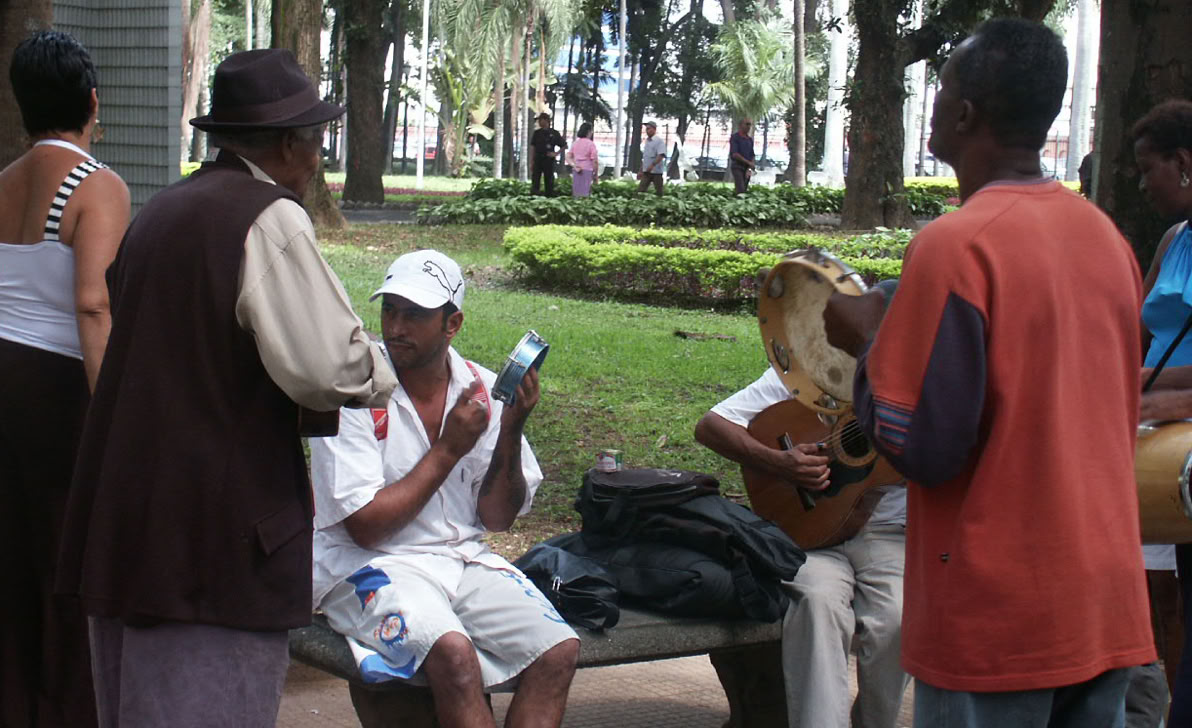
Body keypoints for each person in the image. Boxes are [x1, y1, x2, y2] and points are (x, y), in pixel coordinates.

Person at [823, 18, 1154, 727]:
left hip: (998, 616)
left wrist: (868, 341)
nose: (936, 103)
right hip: (1104, 601)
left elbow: (925, 449)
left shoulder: (954, 245)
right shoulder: (1106, 238)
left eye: (942, 90)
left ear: (965, 113)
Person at [56, 49, 398, 727]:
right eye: (315, 140)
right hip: (212, 539)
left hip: (132, 525)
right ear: (289, 143)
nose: (318, 158)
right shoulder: (266, 217)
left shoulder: (164, 209)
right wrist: (383, 373)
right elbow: (327, 364)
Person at [310, 249, 580, 728]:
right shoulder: (354, 392)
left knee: (557, 649)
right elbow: (366, 529)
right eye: (389, 309)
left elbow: (497, 518)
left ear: (452, 324)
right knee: (455, 656)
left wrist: (512, 427)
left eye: (414, 314)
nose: (395, 327)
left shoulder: (483, 389)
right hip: (362, 566)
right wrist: (448, 450)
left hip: (458, 559)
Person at [0, 30, 129, 728]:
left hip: (4, 379)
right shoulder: (96, 185)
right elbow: (93, 304)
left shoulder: (3, 182)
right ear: (91, 101)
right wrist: (112, 415)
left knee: (14, 557)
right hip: (59, 388)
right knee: (69, 560)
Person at [694, 358, 909, 728]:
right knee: (817, 604)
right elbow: (711, 426)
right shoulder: (819, 371)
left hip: (889, 534)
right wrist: (778, 462)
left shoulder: (934, 388)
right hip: (808, 536)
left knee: (898, 618)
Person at [1128, 98, 1192, 725]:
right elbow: (1138, 332)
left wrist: (1149, 383)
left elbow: (1143, 366)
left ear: (1183, 162)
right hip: (1155, 433)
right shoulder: (1174, 239)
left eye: (1150, 169)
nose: (1143, 183)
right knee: (1155, 595)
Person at [530, 112, 564, 197]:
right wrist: (532, 161)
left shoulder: (554, 133)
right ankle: (535, 194)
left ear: (546, 121)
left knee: (549, 179)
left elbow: (564, 145)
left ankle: (549, 195)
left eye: (540, 120)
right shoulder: (537, 133)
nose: (539, 123)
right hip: (538, 159)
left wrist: (556, 153)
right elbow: (533, 147)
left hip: (548, 159)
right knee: (535, 178)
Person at [568, 122, 598, 198]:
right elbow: (595, 161)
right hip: (587, 170)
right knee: (585, 192)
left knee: (576, 192)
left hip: (577, 169)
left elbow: (568, 156)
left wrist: (574, 165)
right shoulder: (591, 144)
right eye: (591, 131)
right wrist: (595, 174)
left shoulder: (575, 143)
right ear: (588, 131)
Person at [638, 120, 666, 196]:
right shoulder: (647, 142)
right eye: (646, 129)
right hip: (646, 171)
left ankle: (661, 205)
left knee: (659, 191)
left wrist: (652, 165)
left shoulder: (658, 141)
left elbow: (661, 155)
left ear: (654, 129)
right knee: (640, 190)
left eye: (649, 129)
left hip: (656, 171)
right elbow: (645, 157)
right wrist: (641, 169)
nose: (647, 131)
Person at [729, 118, 756, 194]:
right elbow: (735, 154)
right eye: (747, 124)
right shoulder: (735, 137)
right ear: (740, 125)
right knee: (740, 188)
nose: (749, 127)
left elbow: (752, 154)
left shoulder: (749, 140)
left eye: (750, 124)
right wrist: (748, 162)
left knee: (744, 189)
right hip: (737, 166)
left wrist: (750, 167)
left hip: (747, 168)